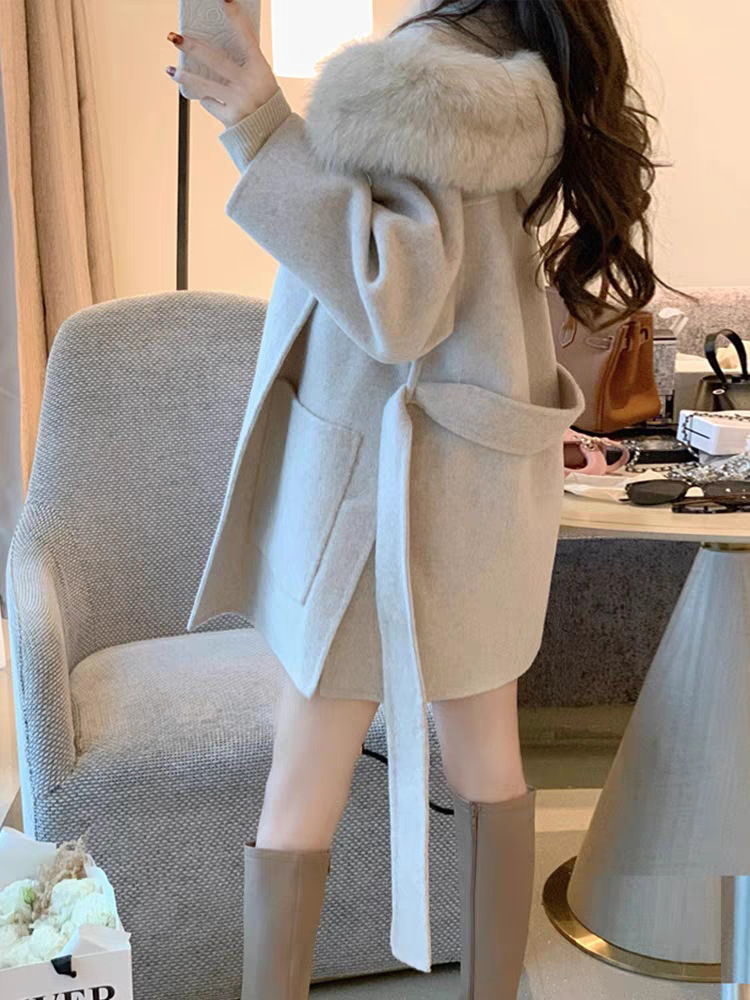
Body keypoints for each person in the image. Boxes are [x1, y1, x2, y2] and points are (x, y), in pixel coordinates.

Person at [166, 1, 678, 997]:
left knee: (302, 782)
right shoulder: (508, 68)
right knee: (487, 762)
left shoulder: (419, 75)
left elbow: (395, 303)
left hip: (378, 507)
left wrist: (262, 127)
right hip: (472, 494)